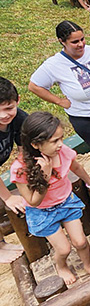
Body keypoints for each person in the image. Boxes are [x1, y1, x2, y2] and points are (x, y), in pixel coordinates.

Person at [11, 111, 90, 285]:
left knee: (81, 242)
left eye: (61, 138)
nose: (61, 144)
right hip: (42, 212)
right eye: (55, 141)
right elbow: (33, 201)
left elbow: (76, 167)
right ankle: (61, 266)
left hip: (65, 203)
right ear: (36, 144)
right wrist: (45, 177)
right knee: (63, 249)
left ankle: (88, 265)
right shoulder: (20, 169)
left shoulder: (62, 152)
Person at [29, 20, 90, 172]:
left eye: (82, 39)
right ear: (62, 41)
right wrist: (59, 101)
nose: (81, 44)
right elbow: (34, 86)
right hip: (86, 116)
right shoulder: (54, 64)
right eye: (75, 41)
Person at [0, 77, 27, 213]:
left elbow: (25, 150)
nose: (3, 115)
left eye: (8, 108)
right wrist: (8, 197)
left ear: (18, 101)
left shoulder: (20, 119)